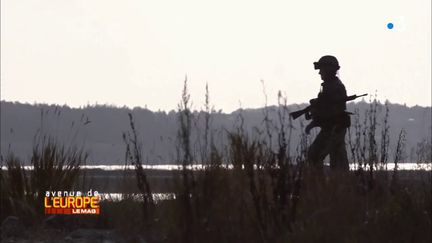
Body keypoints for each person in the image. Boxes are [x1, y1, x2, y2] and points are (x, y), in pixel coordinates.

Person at [306, 55, 350, 170]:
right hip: (331, 128)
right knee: (332, 160)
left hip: (334, 128)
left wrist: (317, 113)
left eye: (321, 69)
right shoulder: (328, 87)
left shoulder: (334, 87)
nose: (319, 73)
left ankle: (324, 185)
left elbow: (333, 112)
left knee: (319, 156)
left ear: (328, 70)